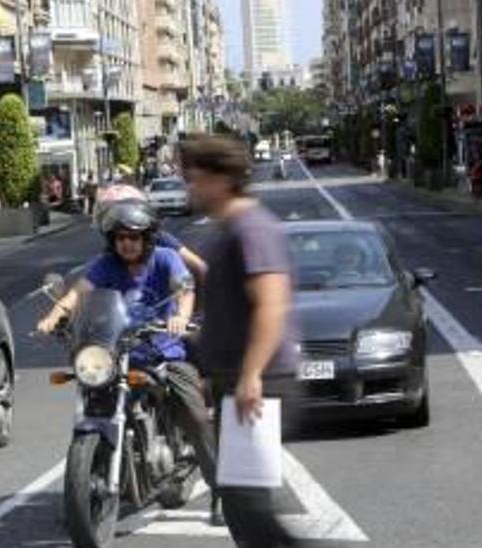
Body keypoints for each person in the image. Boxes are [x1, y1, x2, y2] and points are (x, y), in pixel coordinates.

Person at [35, 200, 218, 505]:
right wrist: (54, 315)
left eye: (134, 237)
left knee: (194, 414)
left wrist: (181, 317)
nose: (127, 244)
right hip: (118, 353)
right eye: (120, 238)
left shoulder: (166, 258)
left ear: (147, 238)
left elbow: (185, 290)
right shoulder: (106, 265)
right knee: (92, 395)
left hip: (164, 352)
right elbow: (77, 293)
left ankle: (222, 487)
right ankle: (83, 488)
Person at [182, 134, 301, 547]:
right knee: (240, 505)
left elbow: (271, 303)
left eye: (196, 179)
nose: (190, 188)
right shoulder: (227, 228)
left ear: (222, 179)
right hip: (237, 380)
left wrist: (250, 375)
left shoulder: (252, 227)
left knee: (249, 509)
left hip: (262, 380)